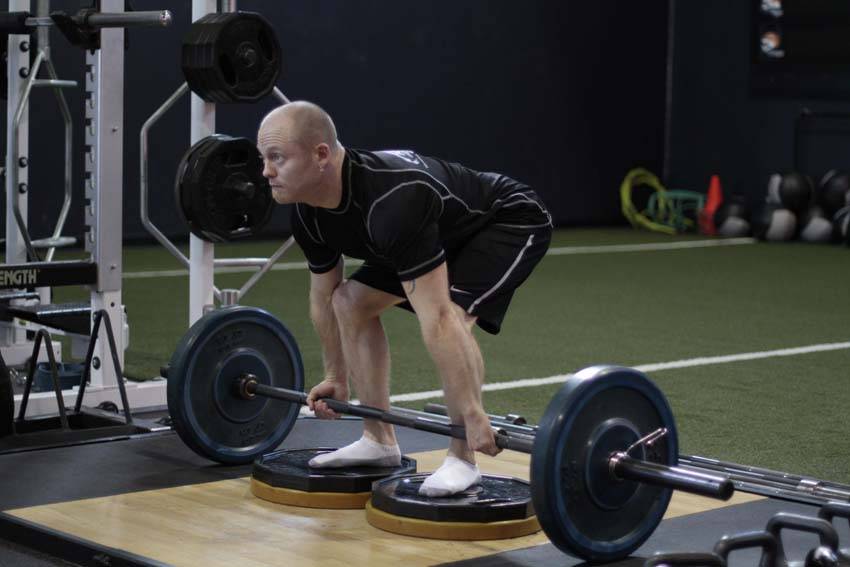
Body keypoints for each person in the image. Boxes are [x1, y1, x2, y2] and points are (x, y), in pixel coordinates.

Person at [257, 101, 552, 497]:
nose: (266, 171)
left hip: (503, 221)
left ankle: (463, 457)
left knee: (455, 314)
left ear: (321, 155)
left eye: (276, 157)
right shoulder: (308, 212)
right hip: (430, 230)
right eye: (264, 158)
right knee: (349, 302)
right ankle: (378, 441)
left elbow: (441, 320)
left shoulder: (392, 200)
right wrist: (335, 377)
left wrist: (473, 415)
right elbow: (324, 297)